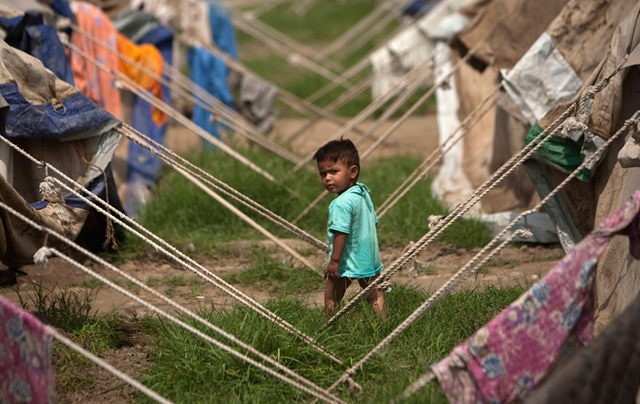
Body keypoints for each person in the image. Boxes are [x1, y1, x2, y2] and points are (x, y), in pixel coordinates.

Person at [313, 139, 387, 318]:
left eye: (333, 171)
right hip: (368, 257)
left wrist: (335, 262)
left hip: (346, 261)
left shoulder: (341, 203)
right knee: (374, 294)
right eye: (323, 174)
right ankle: (385, 325)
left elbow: (341, 232)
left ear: (353, 171)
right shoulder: (362, 193)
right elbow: (373, 222)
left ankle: (330, 324)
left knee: (332, 295)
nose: (327, 178)